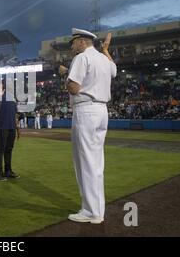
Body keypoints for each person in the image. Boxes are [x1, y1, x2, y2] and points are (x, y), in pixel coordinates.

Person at [61, 29, 116, 224]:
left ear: (83, 42)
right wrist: (106, 49)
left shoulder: (82, 58)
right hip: (102, 112)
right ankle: (97, 211)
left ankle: (90, 212)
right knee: (96, 162)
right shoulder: (103, 58)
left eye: (74, 42)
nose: (72, 46)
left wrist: (66, 74)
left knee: (85, 162)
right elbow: (114, 70)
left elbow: (74, 87)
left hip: (86, 110)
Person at [0, 80, 21, 181]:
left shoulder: (12, 98)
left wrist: (18, 128)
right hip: (2, 127)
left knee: (9, 150)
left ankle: (8, 171)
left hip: (11, 127)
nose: (11, 85)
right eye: (9, 84)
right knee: (0, 150)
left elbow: (15, 115)